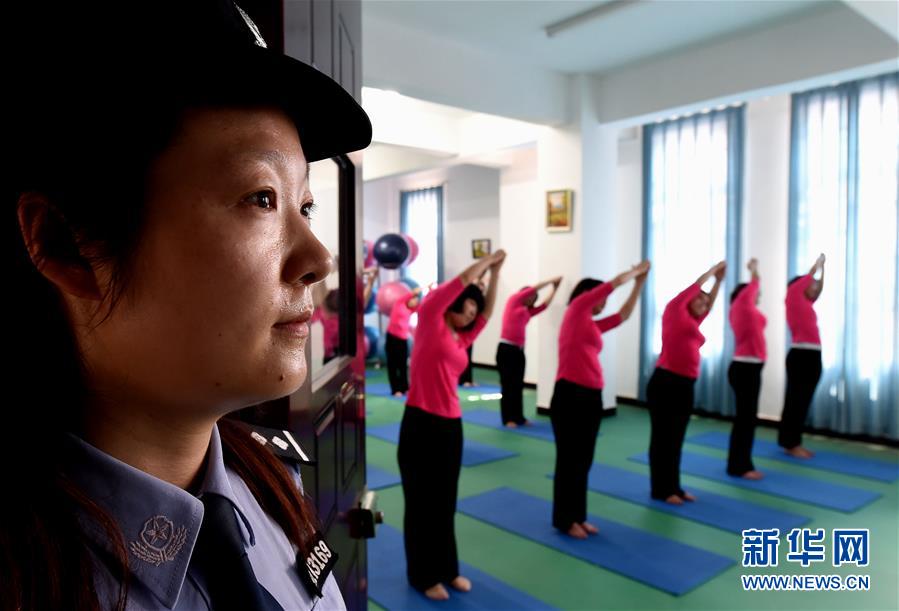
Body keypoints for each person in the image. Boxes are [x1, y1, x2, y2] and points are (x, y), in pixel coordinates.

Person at [4, 1, 371, 609]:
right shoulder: (29, 578)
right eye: (261, 198)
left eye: (304, 206)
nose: (318, 258)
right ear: (68, 248)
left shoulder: (271, 479)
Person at [398, 250, 506, 600]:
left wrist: (497, 274)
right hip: (420, 425)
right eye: (468, 308)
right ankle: (422, 576)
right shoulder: (430, 316)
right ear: (455, 303)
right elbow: (460, 281)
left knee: (445, 503)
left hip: (450, 427)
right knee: (421, 505)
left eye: (473, 311)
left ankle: (447, 569)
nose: (472, 315)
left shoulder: (461, 338)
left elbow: (487, 313)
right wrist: (487, 261)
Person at [551, 262, 649, 538]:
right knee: (569, 461)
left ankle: (578, 517)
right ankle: (564, 520)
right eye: (601, 298)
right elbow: (613, 283)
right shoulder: (576, 310)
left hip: (591, 397)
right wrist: (637, 272)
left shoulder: (591, 326)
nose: (604, 302)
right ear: (588, 296)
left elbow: (623, 315)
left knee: (583, 461)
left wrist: (640, 284)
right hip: (570, 396)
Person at [646, 261, 726, 505]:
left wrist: (719, 283)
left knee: (676, 438)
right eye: (699, 298)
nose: (703, 302)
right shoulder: (674, 312)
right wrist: (713, 272)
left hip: (685, 385)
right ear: (688, 299)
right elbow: (695, 287)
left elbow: (709, 304)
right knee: (663, 438)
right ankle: (661, 490)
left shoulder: (693, 322)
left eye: (705, 301)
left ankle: (675, 487)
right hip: (665, 384)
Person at [496, 276, 562, 427]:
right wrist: (552, 280)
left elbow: (544, 306)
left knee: (518, 385)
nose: (532, 298)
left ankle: (519, 417)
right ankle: (508, 418)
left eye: (534, 298)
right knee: (508, 385)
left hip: (519, 351)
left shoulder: (528, 312)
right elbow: (534, 288)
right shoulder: (513, 301)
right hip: (506, 350)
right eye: (530, 295)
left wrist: (555, 288)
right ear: (523, 294)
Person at [778, 253, 826, 458]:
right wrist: (817, 264)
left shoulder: (806, 303)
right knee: (796, 400)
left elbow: (819, 288)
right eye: (810, 284)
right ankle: (791, 443)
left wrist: (823, 270)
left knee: (803, 400)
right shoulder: (792, 297)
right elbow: (809, 278)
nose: (814, 287)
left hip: (813, 355)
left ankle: (792, 441)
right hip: (800, 356)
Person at [727, 258, 766, 479]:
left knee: (747, 419)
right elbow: (755, 283)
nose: (757, 295)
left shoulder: (747, 310)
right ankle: (739, 466)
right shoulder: (741, 306)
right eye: (754, 294)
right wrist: (754, 269)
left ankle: (740, 463)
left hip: (752, 368)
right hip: (744, 369)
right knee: (745, 420)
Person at [385, 287, 424, 396]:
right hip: (392, 338)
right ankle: (395, 389)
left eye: (416, 301)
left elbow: (423, 306)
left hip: (403, 340)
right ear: (409, 299)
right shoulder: (399, 304)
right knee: (392, 365)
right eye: (413, 299)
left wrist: (430, 291)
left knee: (402, 365)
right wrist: (420, 289)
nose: (415, 302)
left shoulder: (411, 310)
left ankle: (404, 387)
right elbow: (411, 293)